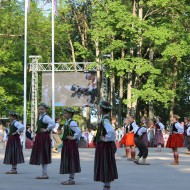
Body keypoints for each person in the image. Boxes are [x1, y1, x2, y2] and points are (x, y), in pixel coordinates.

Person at [94, 101, 118, 190]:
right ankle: (106, 186)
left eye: (100, 107)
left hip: (104, 146)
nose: (99, 109)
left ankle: (107, 186)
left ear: (102, 109)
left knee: (105, 164)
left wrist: (106, 138)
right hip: (103, 145)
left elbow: (111, 132)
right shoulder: (104, 119)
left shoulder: (105, 120)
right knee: (105, 164)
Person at [29, 103, 55, 179]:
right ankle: (44, 173)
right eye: (39, 109)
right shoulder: (40, 117)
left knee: (43, 153)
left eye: (42, 109)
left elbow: (53, 124)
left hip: (44, 137)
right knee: (42, 153)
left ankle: (44, 174)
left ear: (46, 109)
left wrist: (47, 129)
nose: (40, 110)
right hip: (40, 136)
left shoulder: (46, 117)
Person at [60, 107, 81, 185]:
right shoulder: (67, 122)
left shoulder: (72, 123)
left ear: (70, 114)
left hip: (70, 144)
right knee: (69, 160)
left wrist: (73, 137)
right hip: (67, 144)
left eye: (65, 113)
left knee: (71, 160)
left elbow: (78, 131)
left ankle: (71, 179)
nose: (64, 114)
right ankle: (70, 178)